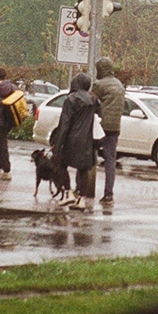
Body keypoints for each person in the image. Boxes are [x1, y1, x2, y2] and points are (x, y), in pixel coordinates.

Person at [50, 72, 99, 210]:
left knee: (61, 165)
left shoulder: (71, 99)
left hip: (71, 139)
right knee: (83, 170)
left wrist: (57, 146)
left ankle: (69, 192)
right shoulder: (94, 99)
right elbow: (99, 116)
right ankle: (82, 200)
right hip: (87, 140)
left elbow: (64, 124)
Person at [92, 56, 125, 206]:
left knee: (88, 156)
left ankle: (82, 190)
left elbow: (91, 101)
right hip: (114, 127)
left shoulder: (99, 84)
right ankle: (108, 195)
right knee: (110, 161)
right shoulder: (119, 85)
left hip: (99, 127)